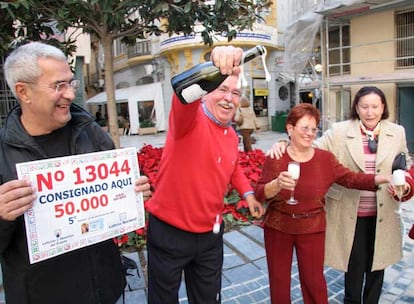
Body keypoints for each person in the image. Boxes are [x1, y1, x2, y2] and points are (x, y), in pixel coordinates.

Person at [0, 41, 151, 304]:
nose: (70, 94)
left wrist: (135, 191)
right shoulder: (2, 153)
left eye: (71, 83)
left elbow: (120, 195)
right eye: (59, 86)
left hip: (105, 288)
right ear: (23, 92)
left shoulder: (89, 132)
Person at [270, 86, 412, 303]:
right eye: (364, 106)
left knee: (378, 266)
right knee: (353, 267)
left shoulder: (397, 131)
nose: (370, 112)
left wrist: (404, 184)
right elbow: (309, 146)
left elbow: (404, 163)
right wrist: (283, 142)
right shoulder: (339, 131)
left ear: (383, 107)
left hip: (383, 212)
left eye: (375, 106)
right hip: (349, 212)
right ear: (356, 107)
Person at [145, 59, 265, 303]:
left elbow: (233, 168)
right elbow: (183, 92)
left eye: (235, 93)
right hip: (170, 233)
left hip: (210, 236)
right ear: (205, 93)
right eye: (222, 89)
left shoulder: (231, 135)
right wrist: (217, 62)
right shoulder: (189, 120)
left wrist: (247, 194)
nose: (229, 98)